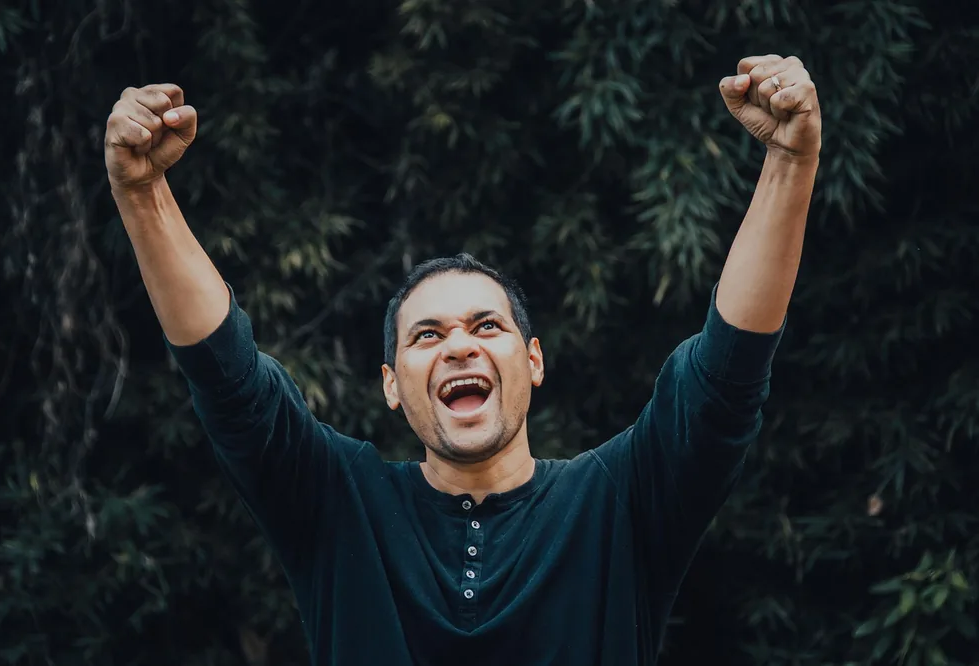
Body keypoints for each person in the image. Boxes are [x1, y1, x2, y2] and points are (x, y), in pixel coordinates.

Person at [105, 53, 821, 665]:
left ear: (534, 361)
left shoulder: (620, 501)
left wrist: (792, 161)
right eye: (426, 336)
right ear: (391, 385)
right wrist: (141, 195)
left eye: (487, 325)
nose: (459, 346)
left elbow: (729, 371)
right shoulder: (337, 505)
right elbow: (227, 379)